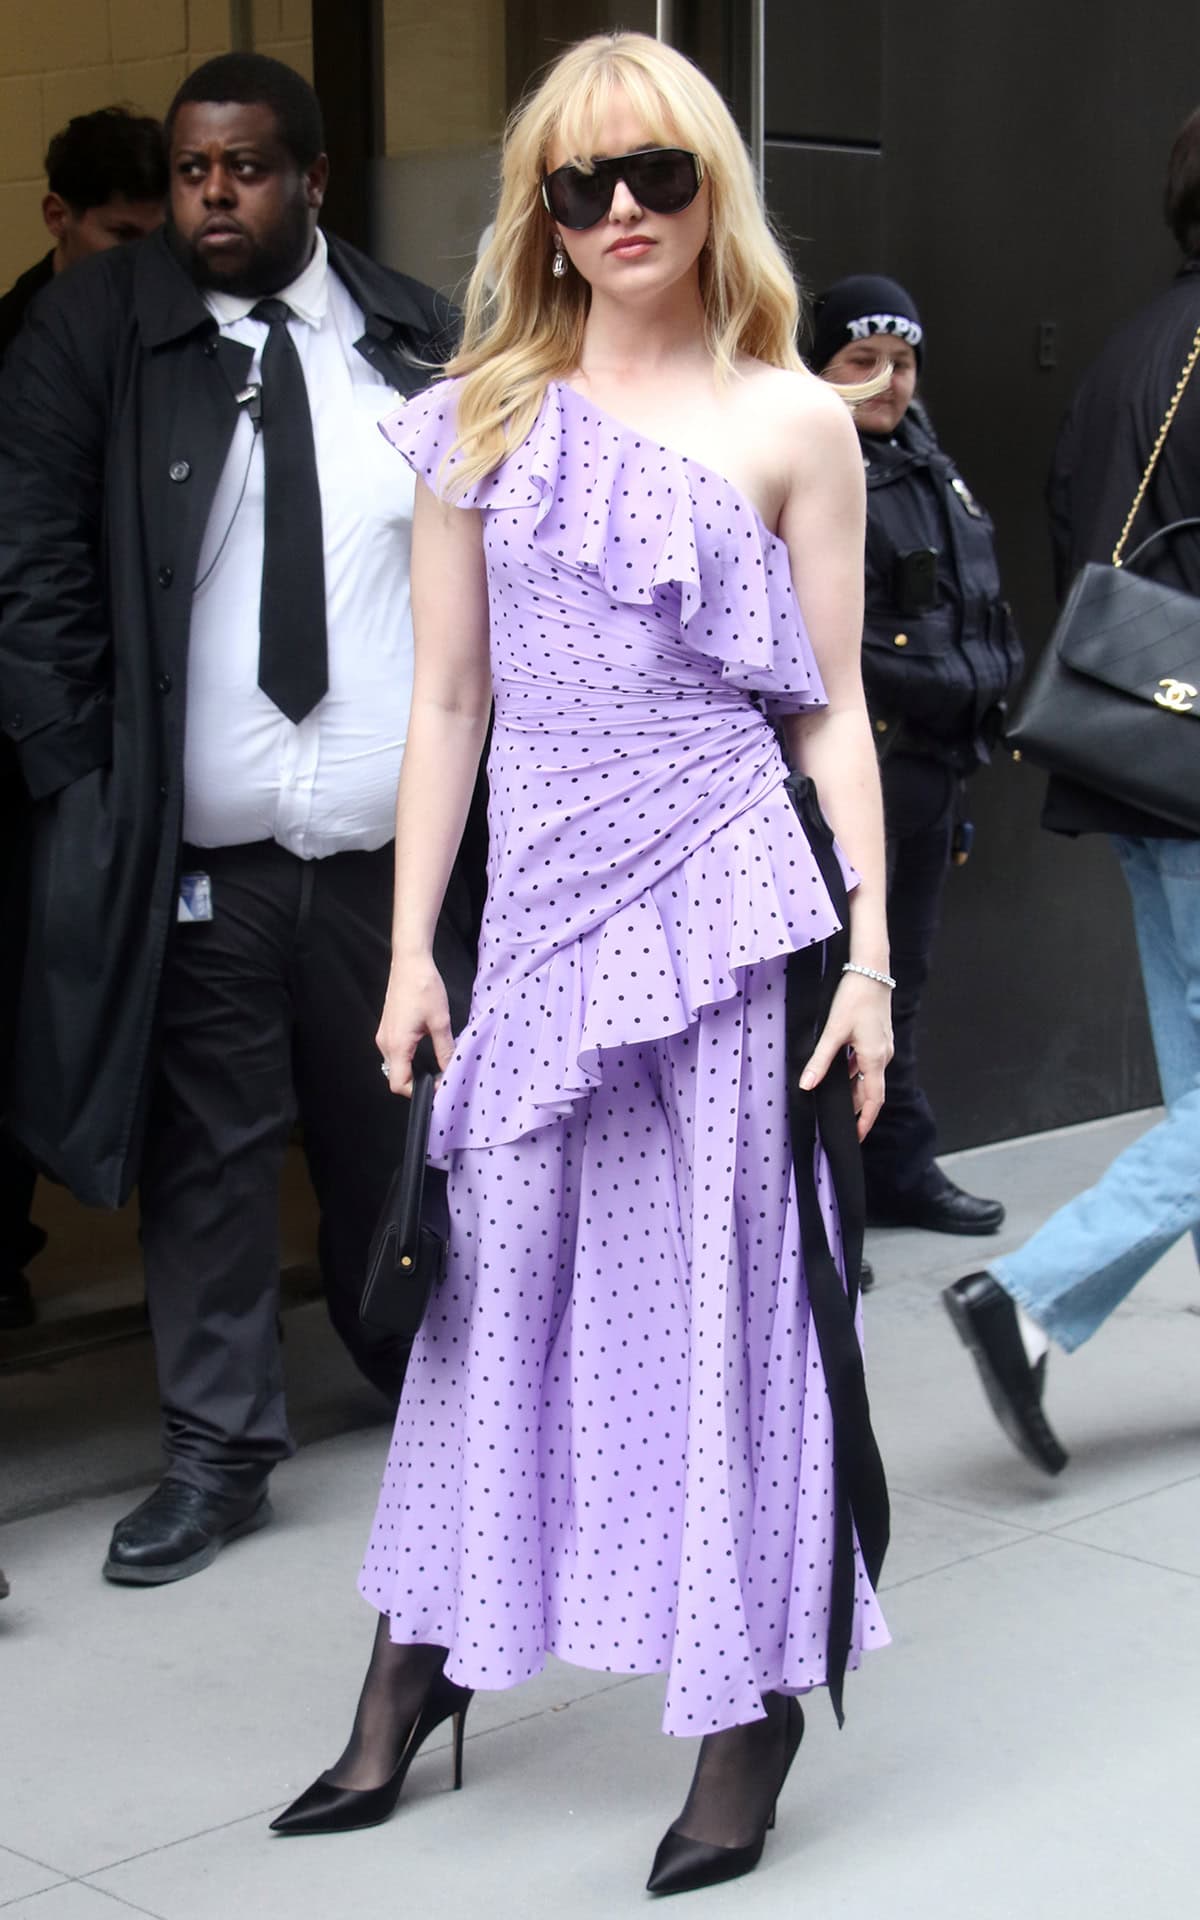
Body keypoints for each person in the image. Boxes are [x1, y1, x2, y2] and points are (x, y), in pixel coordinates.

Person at [269, 31, 892, 1898]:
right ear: (537, 210)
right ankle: (418, 1667)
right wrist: (407, 953)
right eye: (578, 184)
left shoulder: (792, 417)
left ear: (716, 188)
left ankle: (743, 1707)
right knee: (488, 1297)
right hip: (538, 922)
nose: (620, 212)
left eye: (657, 177)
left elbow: (834, 713)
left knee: (729, 1303)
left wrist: (868, 963)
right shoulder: (481, 412)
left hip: (731, 913)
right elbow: (447, 699)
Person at [0, 54, 485, 1583]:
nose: (215, 195)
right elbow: (34, 572)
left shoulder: (411, 341)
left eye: (249, 169)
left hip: (382, 855)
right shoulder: (98, 330)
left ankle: (434, 1396)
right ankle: (218, 1454)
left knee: (398, 1138)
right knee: (210, 1156)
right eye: (195, 170)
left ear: (316, 180)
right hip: (195, 854)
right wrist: (83, 790)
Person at [943, 107, 1200, 1474]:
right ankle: (1027, 1298)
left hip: (1143, 765)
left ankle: (1037, 1317)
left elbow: (1072, 546)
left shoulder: (1123, 361)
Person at [0, 106, 167, 1332]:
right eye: (121, 236)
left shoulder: (169, 341)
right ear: (57, 218)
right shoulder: (20, 353)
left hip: (131, 737)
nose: (143, 261)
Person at [812, 277, 1021, 1238]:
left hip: (933, 767)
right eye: (862, 362)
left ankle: (896, 1166)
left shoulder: (929, 465)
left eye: (902, 363)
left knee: (905, 980)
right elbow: (837, 644)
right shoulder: (819, 466)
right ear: (821, 366)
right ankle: (827, 1205)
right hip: (863, 763)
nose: (888, 381)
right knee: (834, 991)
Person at [0, 105, 166, 359]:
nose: (148, 257)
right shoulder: (12, 340)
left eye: (161, 236)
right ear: (57, 217)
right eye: (123, 234)